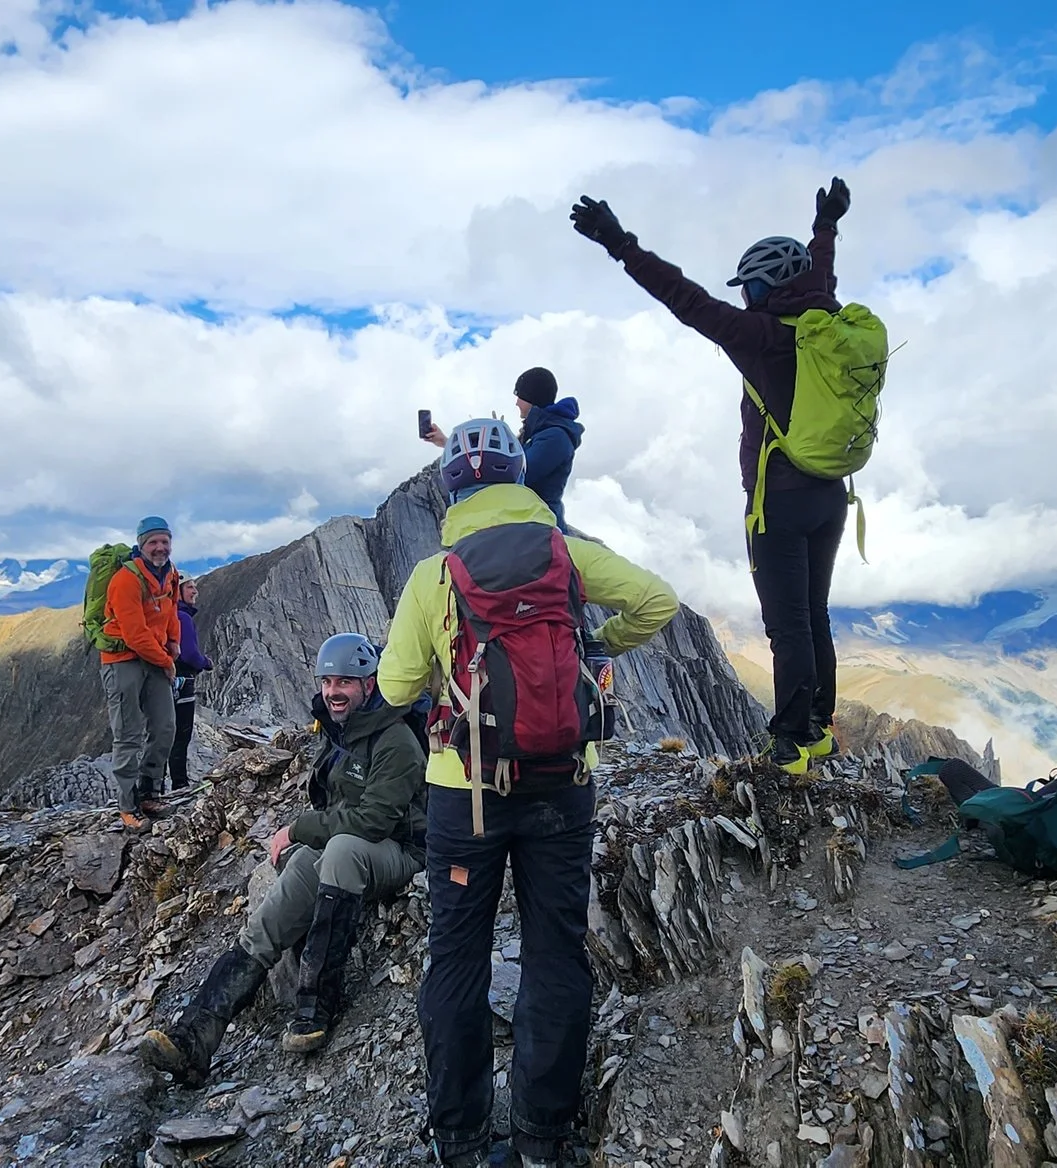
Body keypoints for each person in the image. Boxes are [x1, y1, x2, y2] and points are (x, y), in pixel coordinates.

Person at [379, 418, 678, 1168]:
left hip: (463, 793)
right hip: (562, 786)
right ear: (519, 480)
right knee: (554, 954)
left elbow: (392, 686)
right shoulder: (565, 554)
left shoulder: (433, 576)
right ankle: (545, 1139)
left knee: (456, 960)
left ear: (452, 491)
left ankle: (461, 1140)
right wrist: (595, 646)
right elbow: (658, 601)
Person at [569, 177, 855, 774]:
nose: (746, 296)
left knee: (789, 625)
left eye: (751, 285)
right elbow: (820, 275)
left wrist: (621, 245)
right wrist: (825, 225)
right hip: (832, 494)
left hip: (779, 501)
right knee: (817, 613)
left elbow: (686, 299)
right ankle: (820, 731)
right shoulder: (823, 322)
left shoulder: (762, 336)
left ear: (765, 286)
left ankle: (790, 745)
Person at [138, 632, 427, 1085]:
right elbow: (335, 806)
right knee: (278, 904)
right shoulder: (341, 734)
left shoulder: (395, 741)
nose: (333, 691)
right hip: (346, 854)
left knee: (341, 849)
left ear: (369, 685)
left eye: (345, 683)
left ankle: (316, 1008)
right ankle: (195, 1036)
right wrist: (302, 841)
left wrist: (297, 829)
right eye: (327, 681)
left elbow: (371, 822)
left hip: (402, 851)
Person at [421, 367, 583, 531]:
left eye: (520, 396)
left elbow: (515, 475)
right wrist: (446, 442)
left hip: (542, 529)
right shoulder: (539, 432)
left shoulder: (555, 437)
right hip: (527, 522)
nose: (517, 402)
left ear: (532, 397)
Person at [100, 516, 181, 829]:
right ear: (141, 545)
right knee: (129, 733)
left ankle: (150, 792)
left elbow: (171, 611)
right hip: (122, 660)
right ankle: (127, 804)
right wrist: (166, 661)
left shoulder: (170, 574)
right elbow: (134, 634)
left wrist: (173, 641)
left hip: (156, 656)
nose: (160, 548)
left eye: (164, 541)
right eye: (153, 542)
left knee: (164, 727)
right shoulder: (125, 580)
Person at [167, 575, 213, 793]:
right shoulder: (182, 617)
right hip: (183, 681)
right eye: (190, 587)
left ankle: (156, 786)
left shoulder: (167, 614)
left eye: (195, 587)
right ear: (178, 591)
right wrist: (206, 662)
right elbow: (191, 654)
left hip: (168, 681)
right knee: (182, 733)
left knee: (168, 732)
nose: (195, 591)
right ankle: (180, 784)